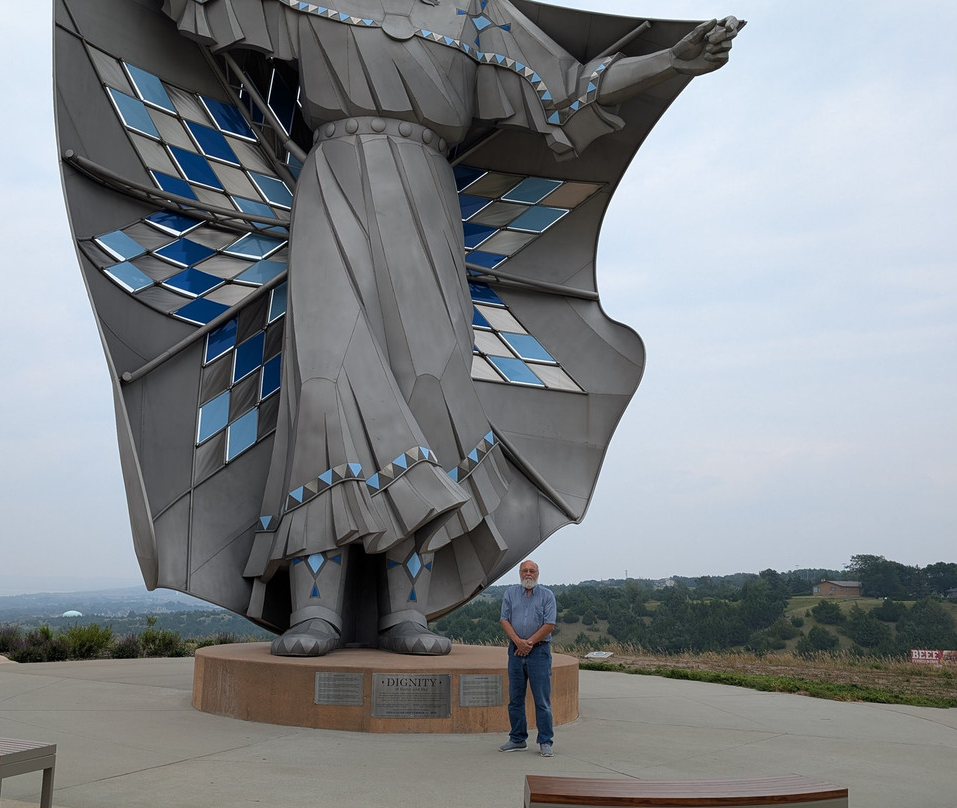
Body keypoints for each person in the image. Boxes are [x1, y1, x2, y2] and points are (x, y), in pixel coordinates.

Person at [163, 0, 742, 656]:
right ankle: (315, 611)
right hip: (334, 188)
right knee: (323, 386)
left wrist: (670, 61)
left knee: (428, 391)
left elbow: (567, 91)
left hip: (427, 200)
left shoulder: (474, 14)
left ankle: (406, 613)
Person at [499, 559, 557, 756]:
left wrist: (528, 644)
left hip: (539, 653)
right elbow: (504, 620)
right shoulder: (510, 593)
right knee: (515, 699)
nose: (528, 574)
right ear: (519, 573)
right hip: (515, 653)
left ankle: (545, 742)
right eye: (525, 570)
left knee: (541, 700)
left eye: (532, 571)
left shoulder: (547, 595)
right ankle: (517, 738)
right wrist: (518, 643)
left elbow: (549, 624)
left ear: (538, 574)